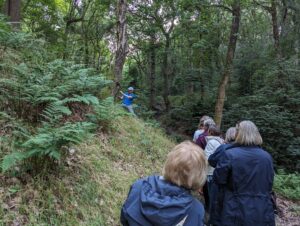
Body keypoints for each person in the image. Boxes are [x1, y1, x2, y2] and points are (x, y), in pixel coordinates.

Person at [120, 141, 207, 226]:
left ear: (169, 162)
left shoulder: (139, 186)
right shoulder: (196, 210)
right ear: (199, 175)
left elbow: (124, 217)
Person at [213, 121, 275, 226]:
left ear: (239, 133)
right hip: (262, 209)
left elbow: (218, 179)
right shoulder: (266, 157)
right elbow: (269, 182)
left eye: (237, 131)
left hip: (235, 209)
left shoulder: (229, 154)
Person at [208, 127, 237, 226]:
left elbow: (211, 160)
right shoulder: (245, 150)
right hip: (237, 187)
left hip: (221, 184)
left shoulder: (224, 148)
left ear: (228, 135)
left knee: (216, 207)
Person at [204, 125, 224, 209]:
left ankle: (209, 213)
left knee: (211, 195)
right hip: (218, 171)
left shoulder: (211, 142)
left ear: (210, 132)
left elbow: (207, 158)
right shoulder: (221, 141)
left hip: (210, 172)